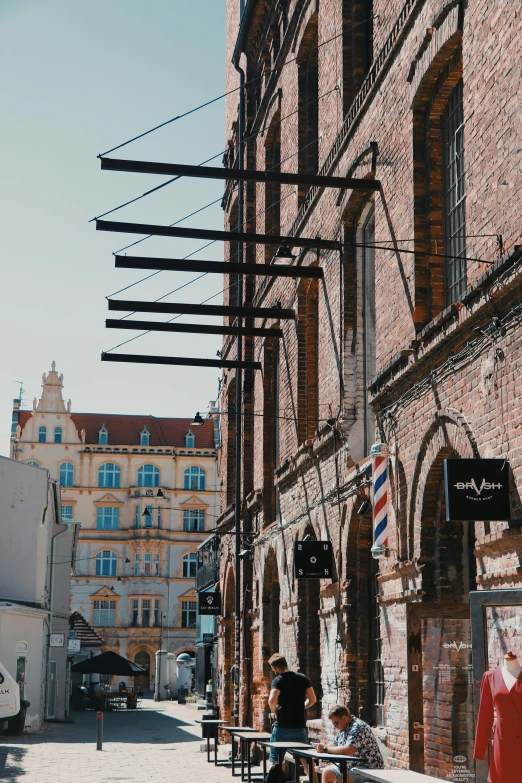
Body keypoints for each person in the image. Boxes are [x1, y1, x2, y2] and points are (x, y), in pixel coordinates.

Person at [267, 653, 317, 769]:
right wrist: (301, 707)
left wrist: (276, 711)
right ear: (286, 664)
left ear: (275, 668)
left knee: (276, 760)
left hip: (282, 727)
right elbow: (313, 699)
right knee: (305, 758)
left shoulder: (278, 680)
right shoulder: (302, 678)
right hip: (299, 727)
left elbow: (271, 700)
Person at [316, 705, 384, 783]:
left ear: (344, 717)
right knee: (327, 773)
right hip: (350, 765)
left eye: (336, 723)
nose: (335, 726)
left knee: (344, 779)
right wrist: (322, 746)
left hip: (368, 767)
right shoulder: (343, 727)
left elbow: (348, 750)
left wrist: (325, 749)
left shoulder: (358, 727)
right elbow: (335, 744)